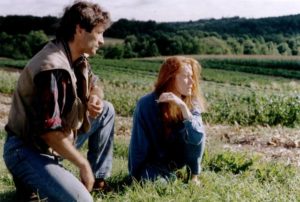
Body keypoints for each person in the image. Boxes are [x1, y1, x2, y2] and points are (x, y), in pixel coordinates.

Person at [3, 1, 115, 201]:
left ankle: (97, 181)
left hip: (56, 141)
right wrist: (82, 164)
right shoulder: (52, 67)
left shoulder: (77, 58)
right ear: (80, 29)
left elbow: (95, 82)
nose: (102, 41)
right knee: (82, 200)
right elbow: (49, 132)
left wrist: (95, 97)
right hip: (27, 149)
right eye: (99, 33)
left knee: (106, 110)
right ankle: (32, 179)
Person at [128, 56, 206, 185]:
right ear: (170, 77)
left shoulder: (191, 103)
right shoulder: (146, 104)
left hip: (180, 159)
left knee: (196, 128)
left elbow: (197, 138)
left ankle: (193, 177)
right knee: (153, 182)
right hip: (154, 164)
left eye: (192, 76)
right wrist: (135, 175)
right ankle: (171, 179)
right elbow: (138, 143)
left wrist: (183, 107)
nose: (192, 82)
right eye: (186, 76)